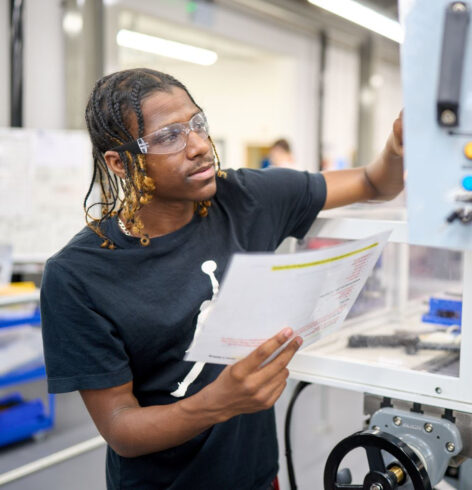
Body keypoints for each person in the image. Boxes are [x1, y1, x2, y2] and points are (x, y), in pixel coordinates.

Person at [39, 68, 404, 490]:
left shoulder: (246, 199)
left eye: (197, 124)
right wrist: (216, 404)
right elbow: (121, 429)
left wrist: (396, 148)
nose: (198, 146)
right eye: (169, 137)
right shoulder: (77, 275)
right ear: (119, 163)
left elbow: (375, 182)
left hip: (258, 477)